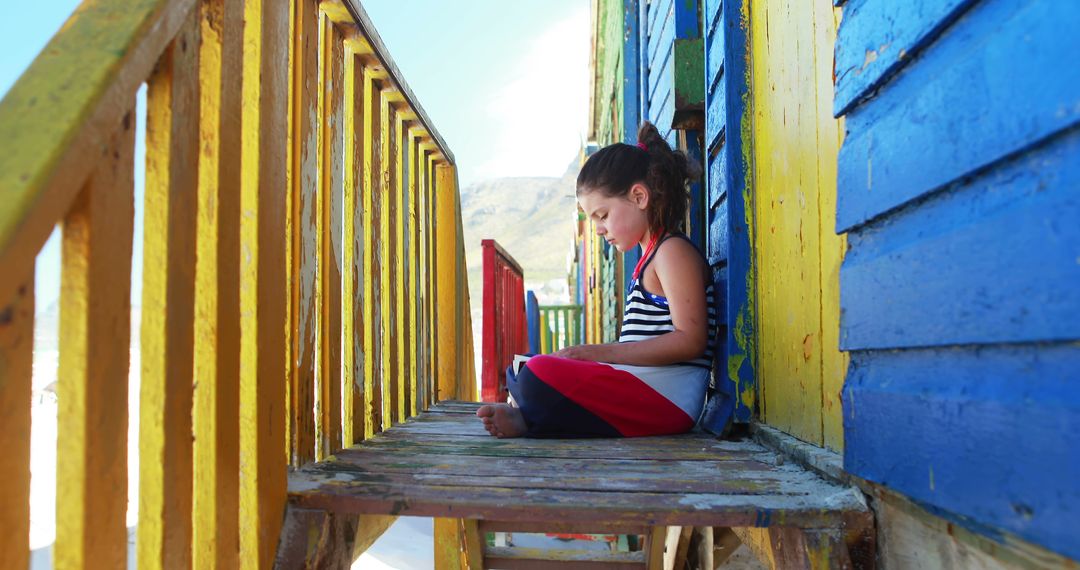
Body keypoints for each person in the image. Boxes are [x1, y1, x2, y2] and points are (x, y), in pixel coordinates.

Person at [476, 121, 716, 438]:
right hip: (643, 389)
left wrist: (597, 353)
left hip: (670, 400)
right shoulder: (648, 259)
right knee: (525, 366)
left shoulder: (671, 252)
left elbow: (691, 340)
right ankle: (529, 418)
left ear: (640, 197)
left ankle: (530, 417)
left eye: (602, 215)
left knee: (537, 374)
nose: (599, 229)